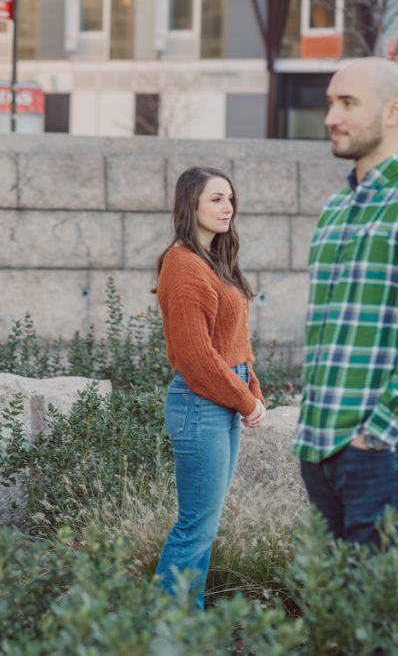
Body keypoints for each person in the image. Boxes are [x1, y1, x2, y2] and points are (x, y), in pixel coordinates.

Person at [293, 57, 398, 545]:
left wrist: (378, 433)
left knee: (375, 615)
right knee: (330, 616)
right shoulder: (335, 209)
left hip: (383, 450)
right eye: (330, 104)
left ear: (394, 111)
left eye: (348, 103)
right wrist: (315, 438)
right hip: (320, 445)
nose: (331, 118)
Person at [153, 166, 267, 611]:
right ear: (192, 204)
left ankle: (185, 622)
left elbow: (233, 340)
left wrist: (253, 389)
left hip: (221, 399)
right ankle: (168, 628)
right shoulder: (182, 265)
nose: (228, 208)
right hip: (199, 404)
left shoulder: (212, 260)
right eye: (216, 198)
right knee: (195, 525)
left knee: (206, 524)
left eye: (230, 199)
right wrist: (243, 398)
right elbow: (197, 357)